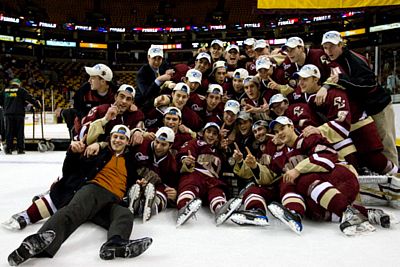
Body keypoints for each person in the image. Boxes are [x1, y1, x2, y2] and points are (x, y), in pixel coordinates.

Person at [7, 125, 152, 266]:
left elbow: (133, 176)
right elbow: (71, 170)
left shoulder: (129, 162)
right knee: (74, 210)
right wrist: (72, 153)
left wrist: (140, 182)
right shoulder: (98, 154)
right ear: (110, 139)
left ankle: (115, 243)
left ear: (127, 142)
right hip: (95, 190)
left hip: (113, 201)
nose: (118, 140)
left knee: (124, 214)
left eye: (122, 138)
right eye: (115, 137)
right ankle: (38, 243)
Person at [266, 116, 389, 236]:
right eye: (276, 132)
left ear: (291, 127)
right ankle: (368, 214)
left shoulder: (309, 136)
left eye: (282, 128)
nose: (279, 133)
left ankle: (348, 212)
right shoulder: (287, 153)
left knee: (302, 179)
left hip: (342, 177)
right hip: (330, 188)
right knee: (311, 208)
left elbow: (327, 158)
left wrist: (297, 170)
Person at [320, 30, 398, 165]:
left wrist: (342, 79)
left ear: (340, 45)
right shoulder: (334, 60)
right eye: (325, 47)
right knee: (374, 142)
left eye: (331, 46)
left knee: (386, 140)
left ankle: (395, 174)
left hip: (379, 106)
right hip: (365, 108)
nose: (328, 51)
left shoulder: (353, 60)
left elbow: (369, 83)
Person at [175, 122, 242, 226]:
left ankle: (220, 208)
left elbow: (227, 169)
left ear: (217, 137)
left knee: (217, 190)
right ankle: (184, 207)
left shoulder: (219, 152)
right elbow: (183, 154)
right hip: (196, 174)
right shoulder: (195, 143)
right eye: (209, 132)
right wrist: (186, 160)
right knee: (190, 184)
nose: (211, 135)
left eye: (214, 133)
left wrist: (230, 155)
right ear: (203, 133)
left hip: (212, 180)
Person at [129, 127, 178, 222]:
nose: (158, 147)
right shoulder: (142, 144)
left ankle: (151, 205)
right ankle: (130, 200)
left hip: (154, 187)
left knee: (163, 191)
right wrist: (137, 131)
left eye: (163, 144)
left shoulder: (172, 164)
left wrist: (175, 194)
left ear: (170, 145)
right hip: (134, 179)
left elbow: (170, 184)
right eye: (157, 142)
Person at [0, 78, 40, 154]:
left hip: (8, 114)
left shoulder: (4, 90)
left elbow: (0, 101)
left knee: (9, 131)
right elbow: (29, 98)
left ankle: (9, 149)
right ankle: (20, 149)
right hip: (19, 114)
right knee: (19, 132)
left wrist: (6, 106)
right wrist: (37, 105)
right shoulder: (21, 90)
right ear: (18, 84)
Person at [135, 45, 174, 112]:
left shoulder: (164, 65)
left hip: (160, 100)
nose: (156, 62)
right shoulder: (141, 73)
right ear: (148, 57)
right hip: (143, 105)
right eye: (154, 58)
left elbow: (172, 69)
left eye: (159, 58)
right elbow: (146, 94)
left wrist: (170, 71)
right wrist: (158, 80)